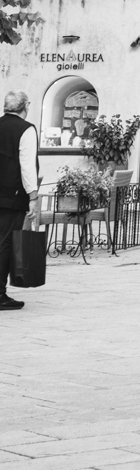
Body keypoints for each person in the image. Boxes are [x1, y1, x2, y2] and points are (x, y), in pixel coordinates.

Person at [0, 88, 39, 311]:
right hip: (12, 196)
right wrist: (33, 196)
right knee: (5, 243)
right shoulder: (26, 129)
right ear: (26, 106)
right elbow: (27, 166)